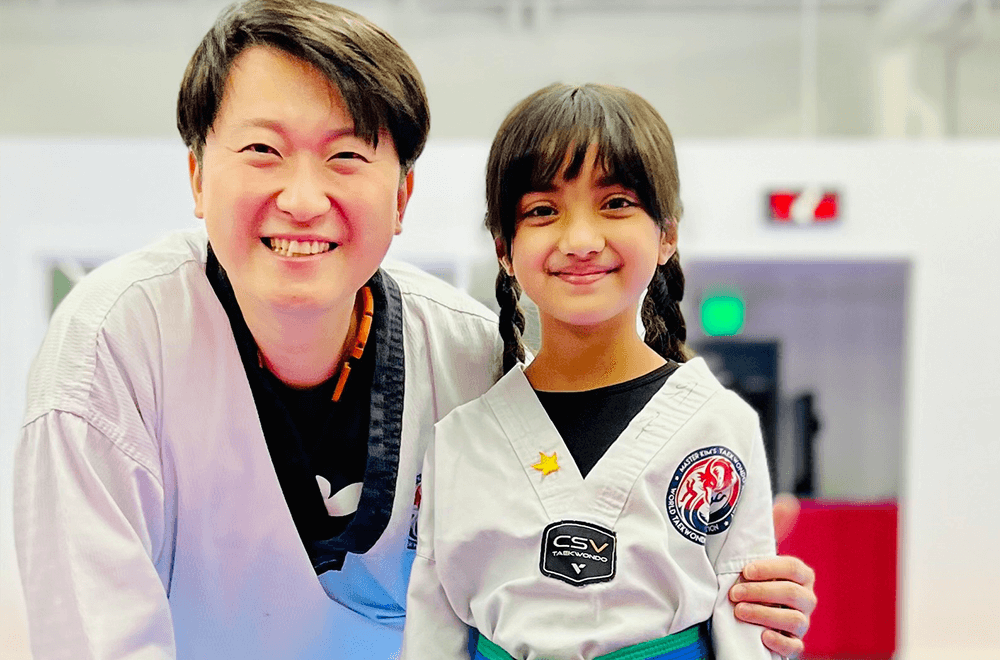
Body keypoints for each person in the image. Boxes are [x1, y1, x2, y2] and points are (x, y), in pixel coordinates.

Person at [13, 1, 815, 659]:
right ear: (195, 174)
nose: (301, 198)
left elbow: (570, 581)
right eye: (262, 150)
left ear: (401, 197)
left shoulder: (472, 359)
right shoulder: (112, 350)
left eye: (346, 156)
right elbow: (94, 637)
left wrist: (739, 594)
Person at [402, 83, 791, 660]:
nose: (580, 240)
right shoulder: (462, 439)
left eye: (615, 203)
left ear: (668, 234)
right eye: (543, 211)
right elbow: (432, 633)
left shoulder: (720, 426)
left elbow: (749, 632)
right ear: (504, 248)